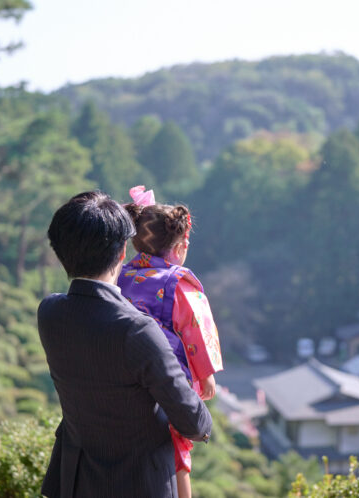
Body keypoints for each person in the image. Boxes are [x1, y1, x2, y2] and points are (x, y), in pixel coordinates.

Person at [38, 191, 212, 498]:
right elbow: (193, 422)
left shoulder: (50, 313)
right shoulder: (137, 331)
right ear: (122, 253)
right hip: (141, 485)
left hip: (76, 482)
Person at [118, 186, 223, 498]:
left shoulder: (120, 276)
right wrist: (206, 376)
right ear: (180, 246)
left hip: (123, 376)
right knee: (177, 450)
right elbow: (197, 330)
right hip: (166, 379)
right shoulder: (179, 284)